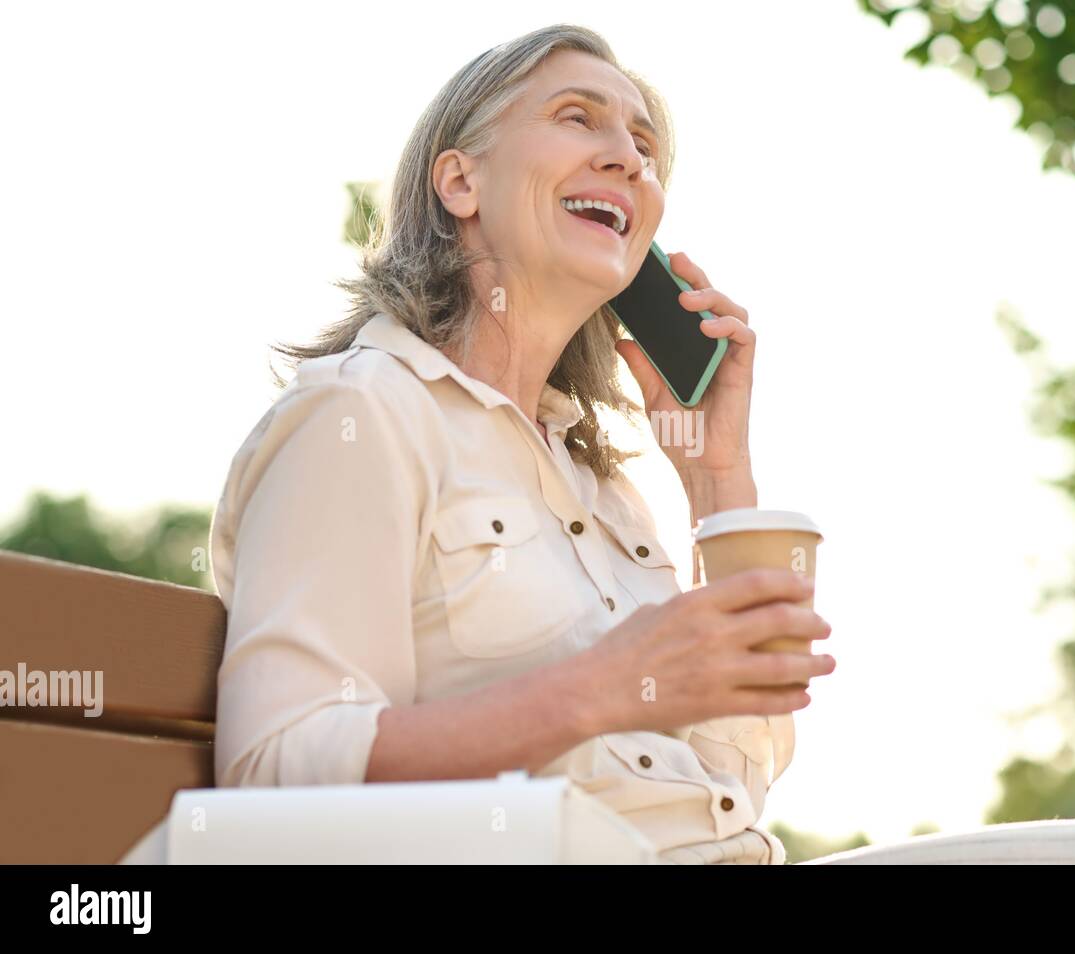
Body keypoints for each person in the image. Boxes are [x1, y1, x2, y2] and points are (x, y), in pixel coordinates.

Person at [210, 23, 833, 865]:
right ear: (461, 181)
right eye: (579, 118)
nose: (626, 159)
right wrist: (601, 688)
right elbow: (273, 775)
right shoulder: (360, 418)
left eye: (642, 145)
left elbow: (728, 789)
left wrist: (718, 479)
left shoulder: (608, 493)